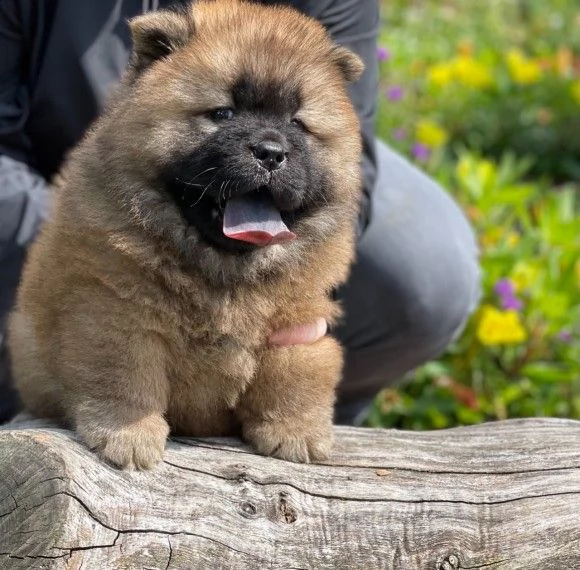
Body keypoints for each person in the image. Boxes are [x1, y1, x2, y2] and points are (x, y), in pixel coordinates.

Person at [0, 0, 480, 425]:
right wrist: (85, 261)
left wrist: (291, 292)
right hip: (75, 184)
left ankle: (277, 425)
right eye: (224, 116)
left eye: (295, 123)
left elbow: (349, 155)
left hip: (196, 194)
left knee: (426, 267)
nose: (271, 145)